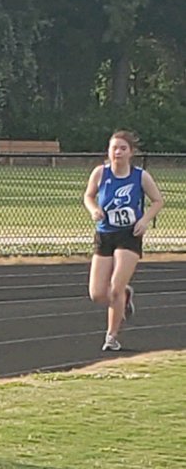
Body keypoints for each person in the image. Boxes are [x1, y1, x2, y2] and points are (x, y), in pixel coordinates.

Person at [83, 129, 164, 352]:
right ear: (108, 152)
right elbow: (88, 196)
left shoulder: (140, 176)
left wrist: (145, 220)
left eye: (122, 148)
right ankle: (126, 295)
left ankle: (111, 336)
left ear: (131, 152)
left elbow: (158, 200)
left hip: (129, 235)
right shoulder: (100, 173)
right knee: (98, 293)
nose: (117, 152)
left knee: (115, 288)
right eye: (114, 148)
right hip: (105, 234)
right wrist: (94, 209)